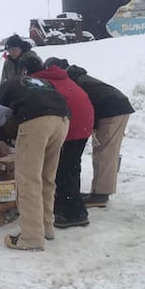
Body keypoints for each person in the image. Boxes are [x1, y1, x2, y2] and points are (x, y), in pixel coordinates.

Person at [0, 56, 70, 250]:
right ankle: (46, 227)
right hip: (62, 120)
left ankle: (31, 238)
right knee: (47, 177)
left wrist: (5, 137)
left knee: (28, 180)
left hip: (36, 121)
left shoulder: (13, 82)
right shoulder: (44, 83)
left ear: (21, 70)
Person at [48, 58, 135, 208]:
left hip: (113, 110)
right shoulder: (77, 77)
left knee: (105, 152)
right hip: (111, 108)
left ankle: (100, 195)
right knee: (102, 151)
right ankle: (99, 191)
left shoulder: (71, 80)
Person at [31, 60, 94, 228]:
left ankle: (70, 213)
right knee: (72, 166)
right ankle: (75, 208)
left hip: (69, 125)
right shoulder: (61, 78)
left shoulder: (37, 83)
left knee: (61, 169)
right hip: (84, 123)